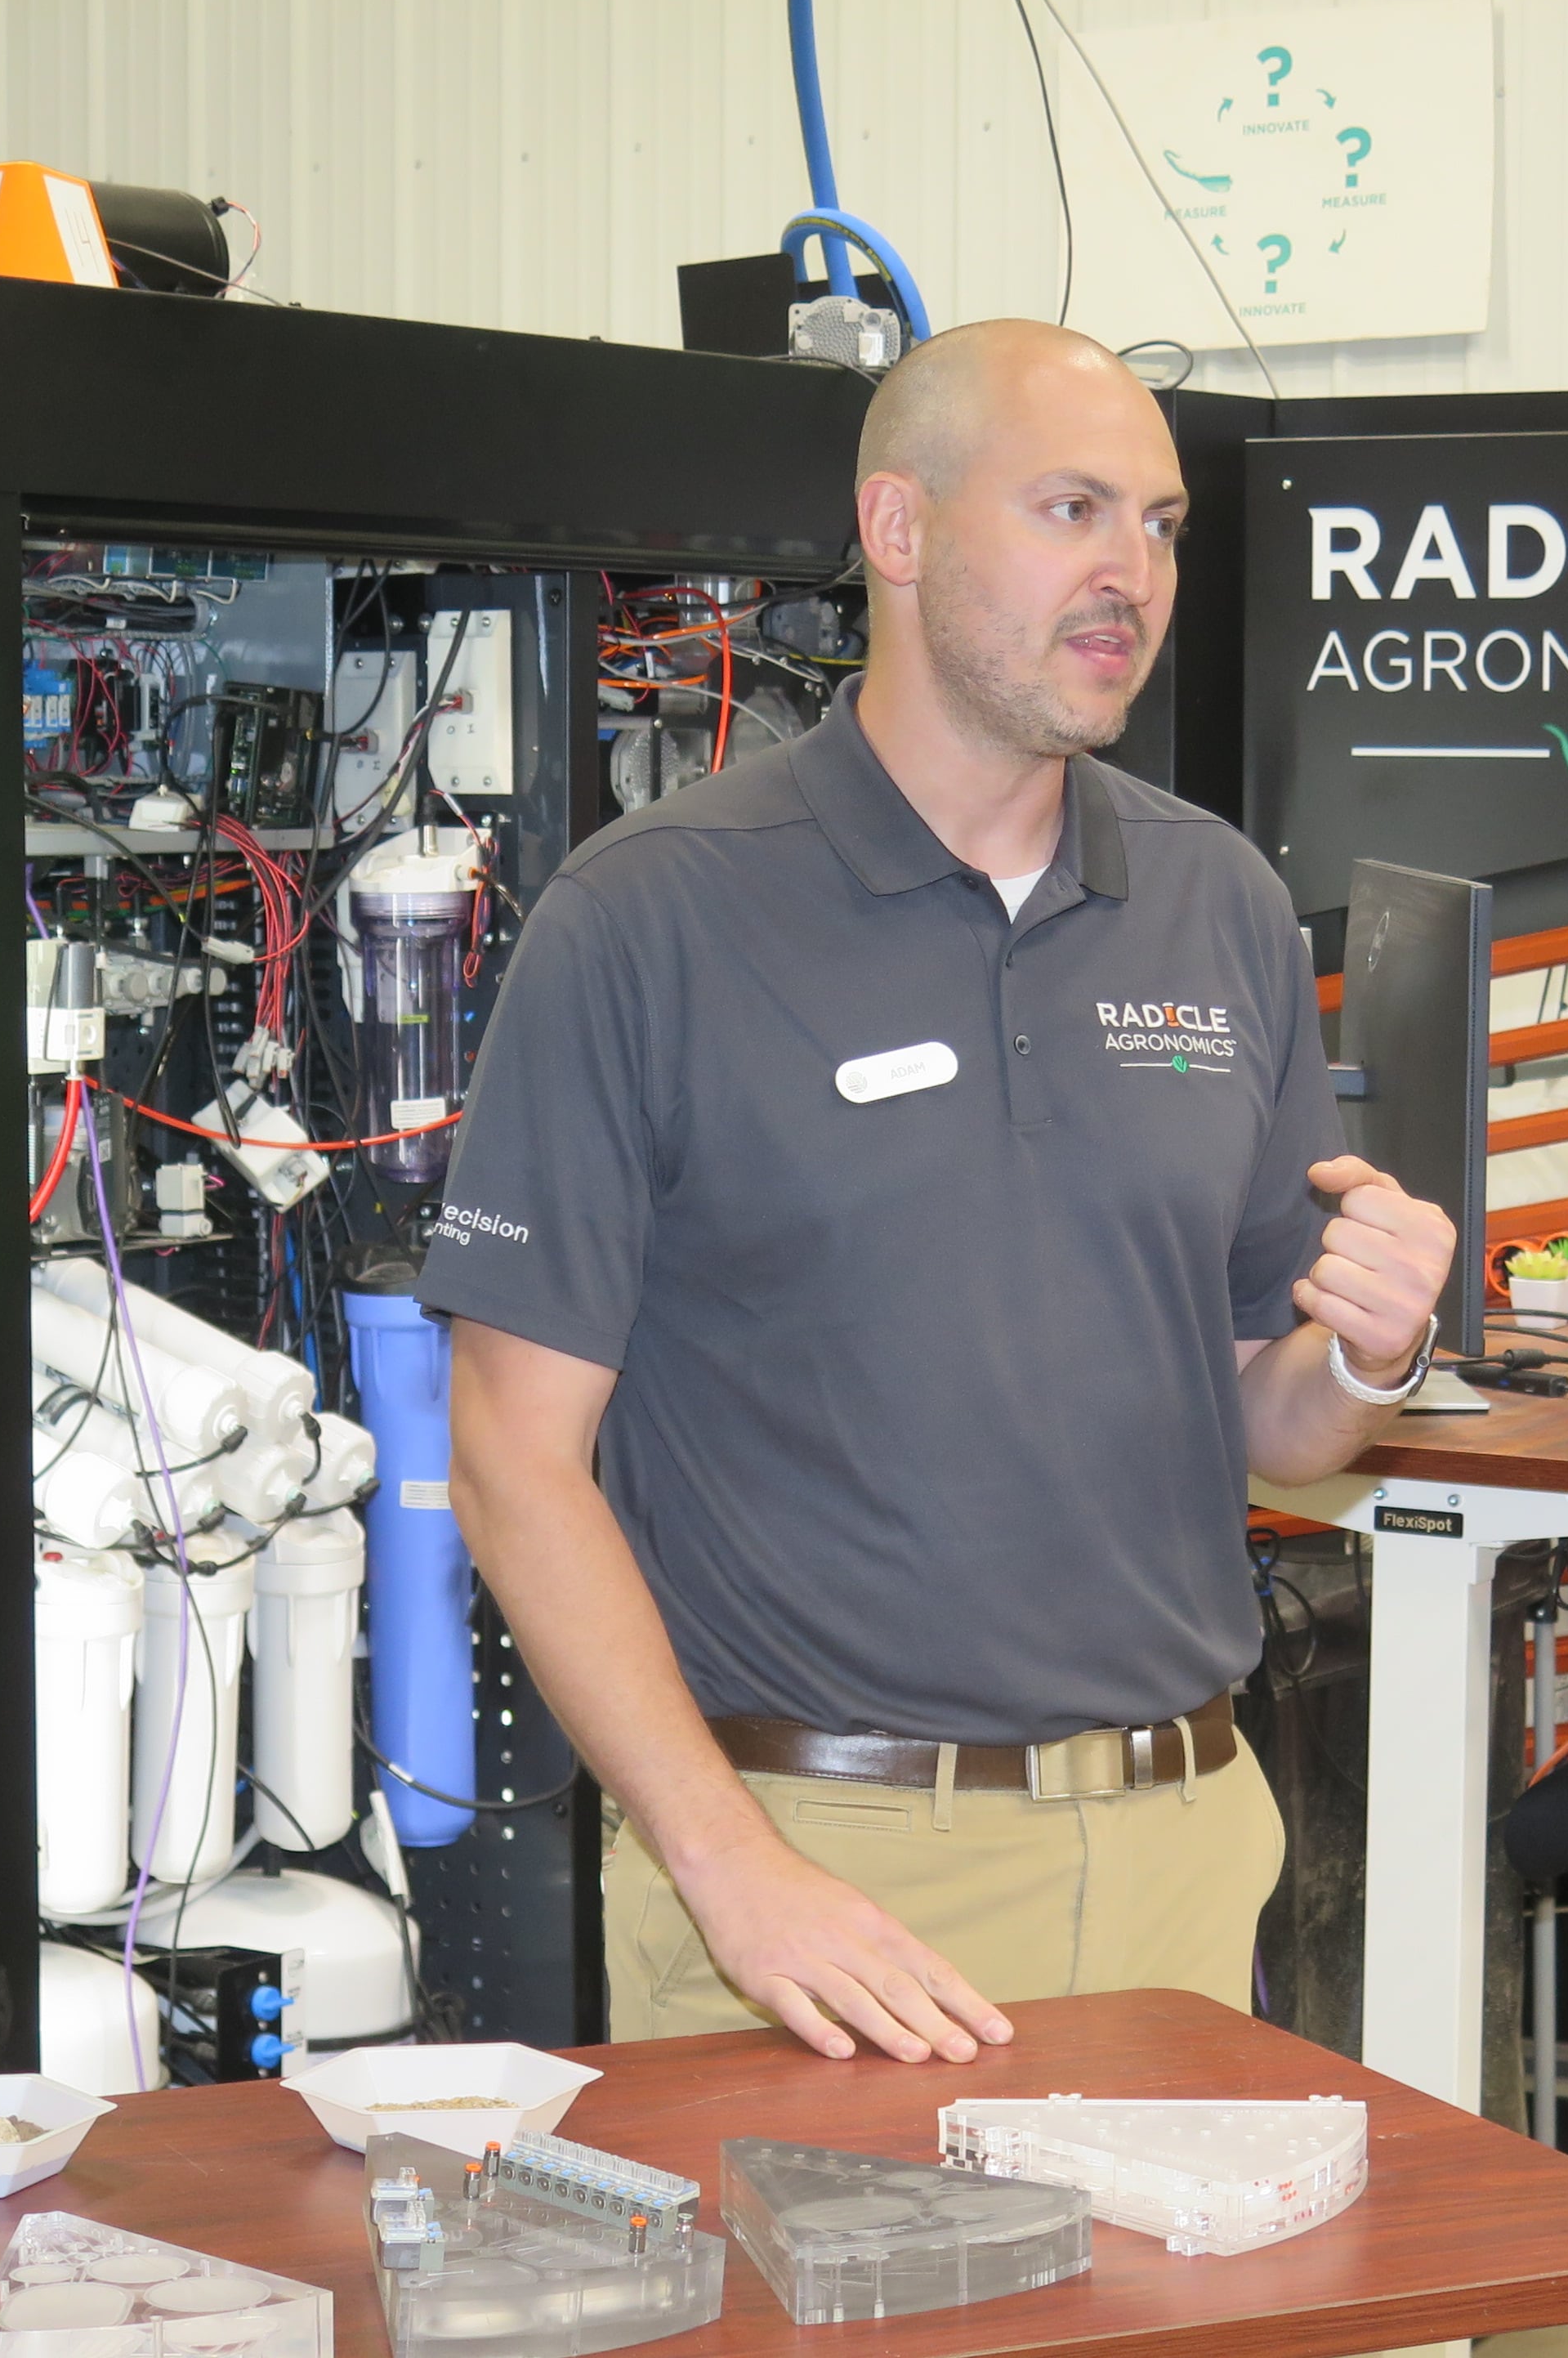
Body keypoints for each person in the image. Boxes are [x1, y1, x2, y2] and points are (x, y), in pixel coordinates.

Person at [418, 318, 1457, 2064]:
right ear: (896, 530)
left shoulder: (1216, 907)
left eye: (1160, 521)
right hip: (821, 1885)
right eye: (1069, 509)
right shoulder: (652, 919)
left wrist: (1364, 1351)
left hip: (1180, 1845)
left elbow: (1266, 1426)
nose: (1129, 571)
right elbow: (510, 1459)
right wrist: (728, 1870)